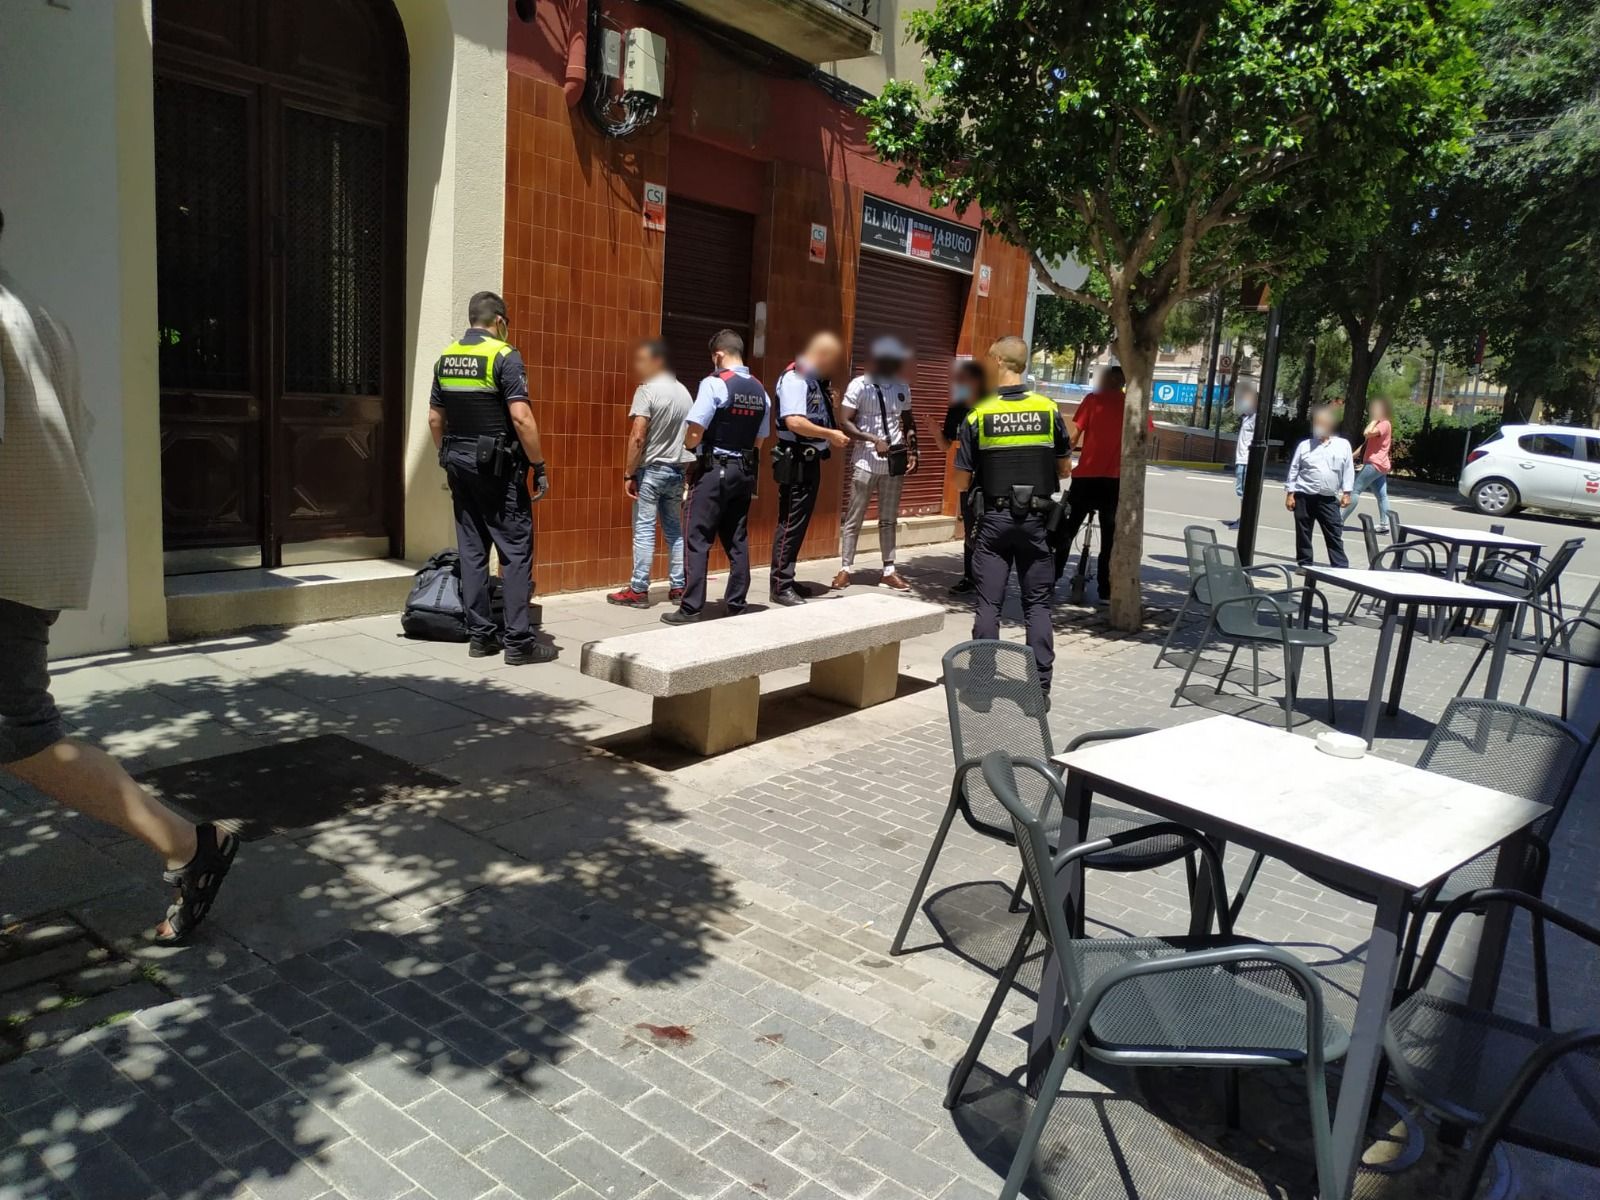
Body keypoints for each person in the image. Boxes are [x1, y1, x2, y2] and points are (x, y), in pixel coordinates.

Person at [0, 210, 237, 943]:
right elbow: (82, 425)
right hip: (35, 549)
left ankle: (188, 844)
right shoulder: (34, 316)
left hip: (8, 561)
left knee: (22, 735)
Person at [428, 291, 556, 664]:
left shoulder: (446, 357)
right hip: (497, 470)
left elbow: (436, 419)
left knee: (472, 549)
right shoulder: (504, 356)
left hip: (458, 464)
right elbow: (521, 417)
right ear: (499, 321)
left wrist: (445, 455)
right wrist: (540, 465)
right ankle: (518, 643)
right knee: (515, 552)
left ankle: (481, 637)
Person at [957, 336, 1073, 704]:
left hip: (993, 519)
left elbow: (961, 479)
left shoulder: (978, 413)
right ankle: (1039, 691)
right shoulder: (1049, 409)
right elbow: (1065, 468)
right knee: (1037, 604)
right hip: (1037, 521)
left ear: (997, 361)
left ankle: (982, 688)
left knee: (988, 604)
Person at [662, 330, 770, 625]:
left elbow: (696, 429)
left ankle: (691, 607)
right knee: (737, 537)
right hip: (744, 471)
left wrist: (688, 446)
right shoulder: (761, 390)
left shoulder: (713, 384)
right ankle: (736, 603)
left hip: (713, 471)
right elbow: (760, 439)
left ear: (718, 355)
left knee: (696, 537)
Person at [1053, 365, 1152, 604]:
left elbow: (1074, 436)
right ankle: (1105, 590)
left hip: (1086, 477)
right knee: (1110, 536)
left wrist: (1062, 461)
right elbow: (1144, 439)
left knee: (1067, 529)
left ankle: (1051, 578)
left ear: (1108, 381)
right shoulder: (1135, 404)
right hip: (1115, 481)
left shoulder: (1093, 399)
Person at [609, 339, 693, 608]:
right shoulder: (684, 393)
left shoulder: (647, 391)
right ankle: (679, 586)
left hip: (652, 471)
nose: (639, 367)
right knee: (674, 530)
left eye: (643, 361)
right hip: (677, 470)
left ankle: (638, 589)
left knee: (644, 529)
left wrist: (628, 473)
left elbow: (637, 436)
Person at [769, 332, 850, 606]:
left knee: (799, 522)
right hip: (796, 459)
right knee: (790, 522)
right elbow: (794, 422)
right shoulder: (796, 378)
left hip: (809, 458)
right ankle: (780, 585)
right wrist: (830, 433)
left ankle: (787, 578)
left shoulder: (814, 380)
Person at [836, 336, 918, 591]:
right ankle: (845, 568)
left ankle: (889, 570)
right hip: (865, 460)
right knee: (854, 516)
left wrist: (913, 450)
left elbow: (908, 421)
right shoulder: (859, 386)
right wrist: (872, 438)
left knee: (888, 518)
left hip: (892, 463)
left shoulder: (901, 387)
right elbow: (845, 421)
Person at [939, 359, 987, 594]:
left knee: (991, 527)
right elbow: (946, 443)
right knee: (970, 527)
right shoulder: (957, 404)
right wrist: (934, 432)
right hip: (968, 476)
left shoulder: (993, 403)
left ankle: (989, 578)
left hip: (992, 475)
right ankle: (970, 577)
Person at [1286, 404, 1354, 568]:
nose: (1318, 426)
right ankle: (1304, 564)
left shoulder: (1342, 445)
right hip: (1304, 495)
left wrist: (1347, 492)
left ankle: (1340, 566)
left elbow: (1348, 469)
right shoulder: (1305, 445)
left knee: (1334, 532)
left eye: (1322, 423)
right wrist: (1290, 493)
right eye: (1316, 423)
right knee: (1303, 532)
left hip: (1328, 498)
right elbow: (1294, 469)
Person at [1342, 398, 1393, 526]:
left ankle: (1339, 520)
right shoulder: (1379, 424)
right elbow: (1365, 446)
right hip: (1380, 465)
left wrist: (1374, 420)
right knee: (1382, 496)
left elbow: (1367, 433)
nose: (1372, 411)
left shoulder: (1384, 424)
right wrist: (1349, 457)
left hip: (1375, 464)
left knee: (1355, 491)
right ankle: (1385, 525)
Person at [1224, 388, 1258, 530]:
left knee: (1244, 491)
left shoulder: (1257, 418)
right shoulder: (1247, 417)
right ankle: (1243, 518)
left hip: (1246, 460)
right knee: (1241, 491)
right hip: (1241, 459)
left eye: (1247, 400)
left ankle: (1245, 520)